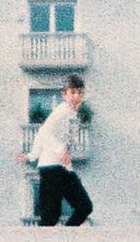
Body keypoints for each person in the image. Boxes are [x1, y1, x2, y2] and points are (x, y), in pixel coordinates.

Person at [19, 74, 93, 226]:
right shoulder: (62, 111)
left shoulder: (73, 114)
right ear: (64, 95)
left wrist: (33, 155)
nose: (76, 96)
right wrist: (34, 155)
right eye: (72, 92)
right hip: (50, 167)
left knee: (84, 207)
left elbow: (56, 135)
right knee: (51, 216)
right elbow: (45, 131)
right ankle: (44, 241)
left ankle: (65, 236)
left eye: (80, 92)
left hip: (63, 168)